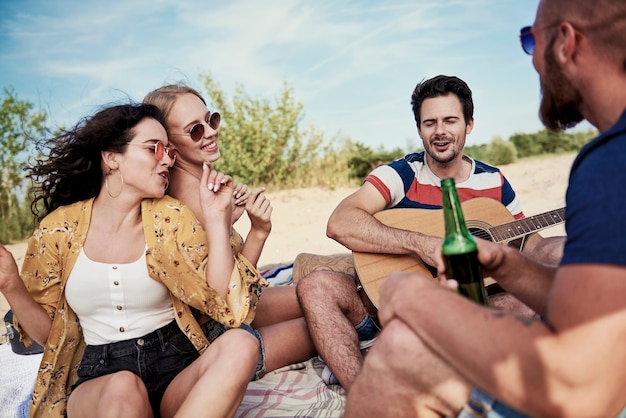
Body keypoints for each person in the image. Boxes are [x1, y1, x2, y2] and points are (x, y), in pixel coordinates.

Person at [344, 0, 626, 416]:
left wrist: (419, 301)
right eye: (429, 123)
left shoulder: (607, 165)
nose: (532, 64)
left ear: (565, 42)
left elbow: (582, 386)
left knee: (400, 347)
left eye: (531, 40)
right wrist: (506, 264)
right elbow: (587, 309)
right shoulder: (400, 172)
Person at [295, 74, 565, 391]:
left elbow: (528, 243)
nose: (440, 131)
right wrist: (421, 244)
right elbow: (340, 222)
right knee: (315, 287)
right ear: (420, 129)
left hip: (466, 311)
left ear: (469, 124)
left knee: (532, 298)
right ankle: (364, 394)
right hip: (382, 305)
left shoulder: (493, 181)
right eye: (429, 123)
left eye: (450, 120)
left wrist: (560, 250)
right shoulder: (400, 174)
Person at [0, 103, 265, 418]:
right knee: (124, 387)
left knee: (242, 344)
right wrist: (10, 284)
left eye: (169, 150)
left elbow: (223, 304)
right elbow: (50, 337)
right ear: (112, 157)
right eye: (154, 148)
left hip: (175, 366)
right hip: (100, 380)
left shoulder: (171, 217)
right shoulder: (58, 230)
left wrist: (217, 217)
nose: (167, 158)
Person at [143, 84, 316, 379]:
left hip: (235, 313)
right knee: (329, 314)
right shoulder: (190, 201)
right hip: (219, 335)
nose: (210, 132)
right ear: (170, 145)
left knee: (323, 293)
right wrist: (258, 231)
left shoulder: (200, 186)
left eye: (211, 120)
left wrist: (228, 222)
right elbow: (229, 301)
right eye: (195, 130)